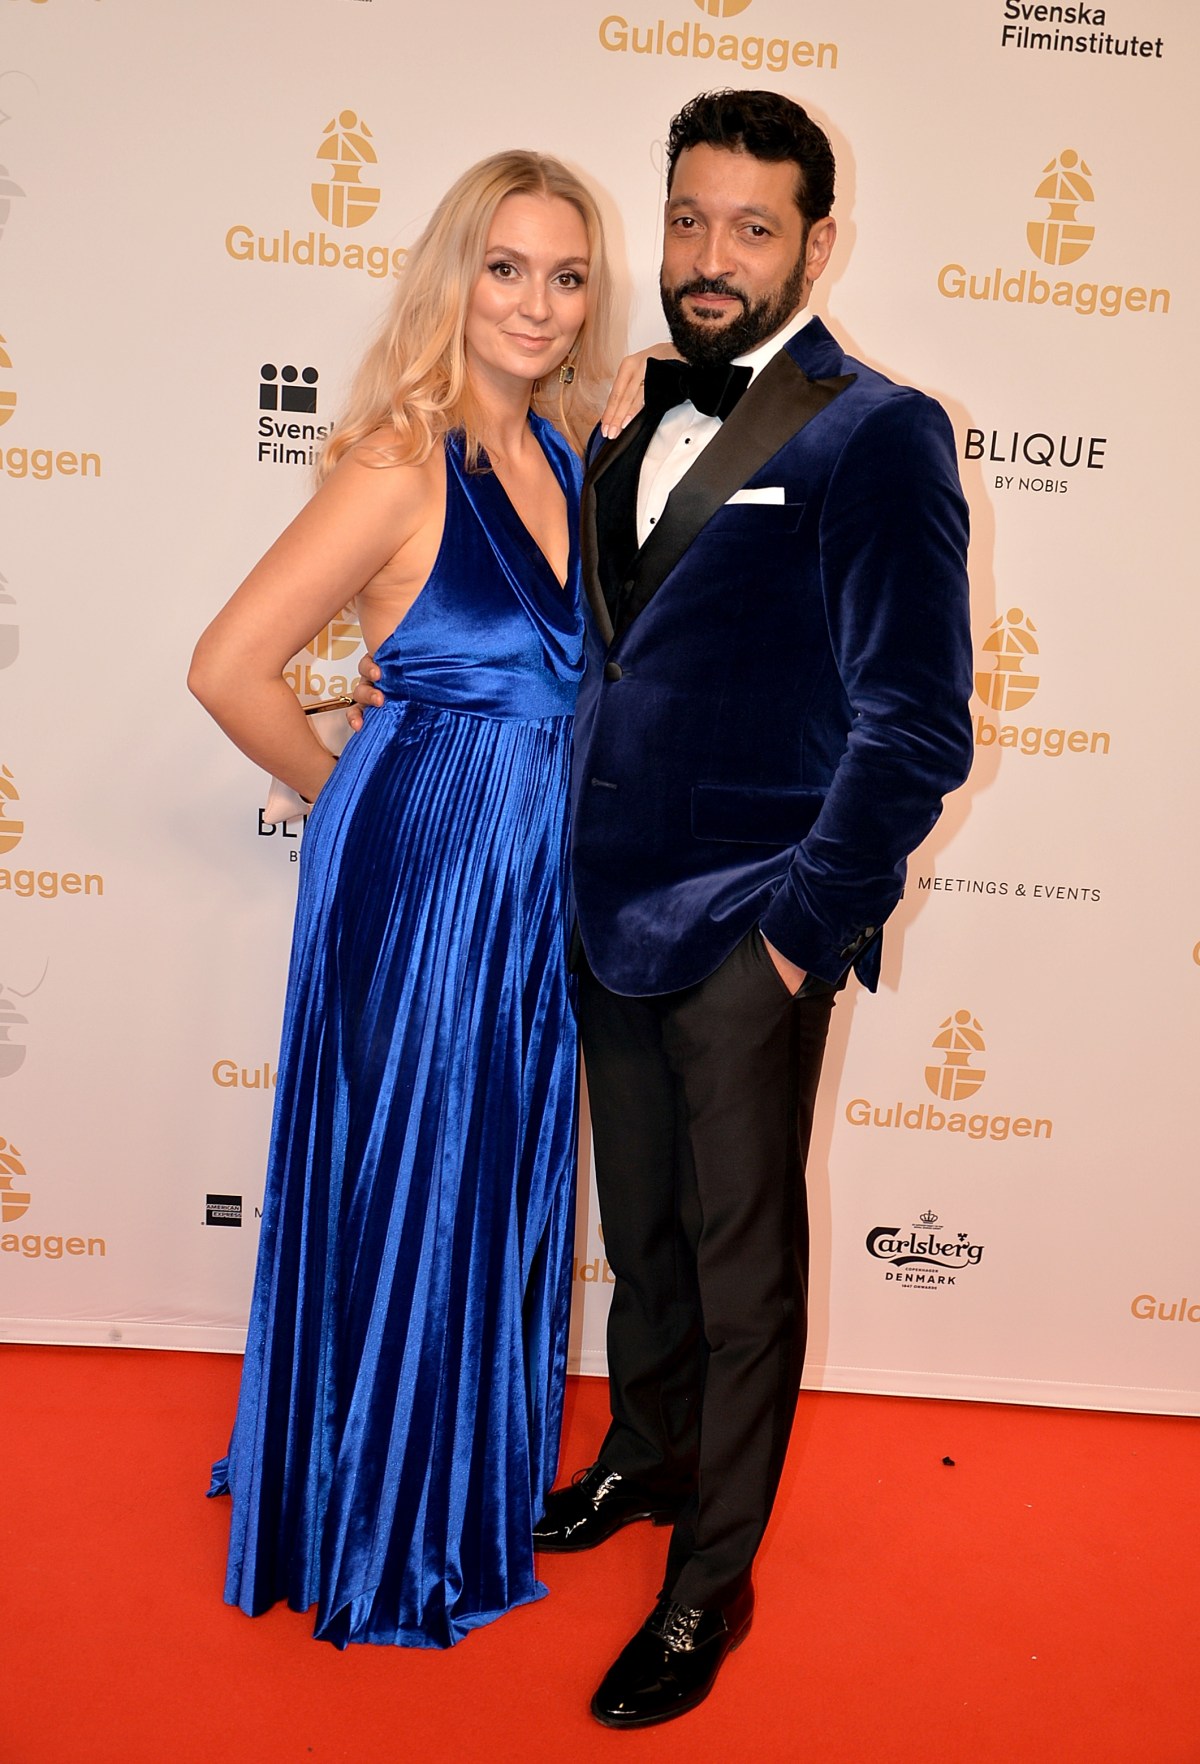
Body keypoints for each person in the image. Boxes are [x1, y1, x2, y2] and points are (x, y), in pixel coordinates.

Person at [352, 88, 974, 1723]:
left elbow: (916, 726)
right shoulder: (619, 417)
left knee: (744, 1271)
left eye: (754, 228)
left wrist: (797, 938)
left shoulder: (879, 430)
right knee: (642, 1235)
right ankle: (642, 1452)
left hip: (753, 928)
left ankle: (710, 1588)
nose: (712, 256)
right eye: (690, 219)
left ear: (816, 246)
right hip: (601, 909)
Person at [188, 149, 614, 1649]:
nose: (536, 304)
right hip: (421, 871)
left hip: (533, 882)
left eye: (567, 276)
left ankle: (443, 1466)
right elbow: (228, 668)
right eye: (506, 268)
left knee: (493, 1169)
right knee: (415, 1164)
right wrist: (342, 787)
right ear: (453, 276)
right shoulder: (398, 461)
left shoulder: (567, 457)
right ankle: (376, 1510)